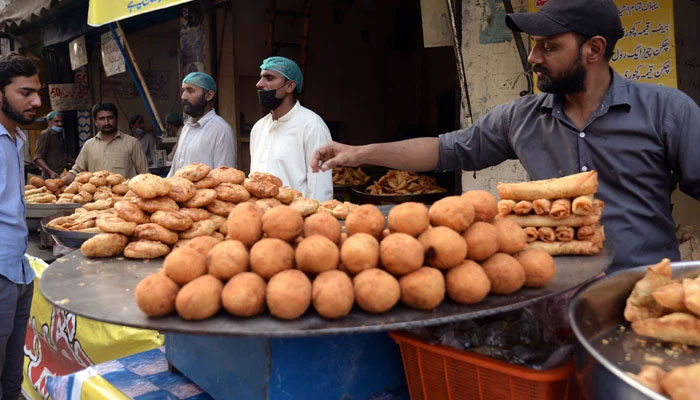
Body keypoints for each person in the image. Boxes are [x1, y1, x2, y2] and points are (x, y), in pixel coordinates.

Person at [312, 0, 700, 271]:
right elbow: (445, 150)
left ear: (594, 49)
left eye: (549, 47)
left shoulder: (667, 111)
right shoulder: (522, 117)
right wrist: (360, 153)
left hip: (639, 288)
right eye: (534, 46)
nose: (533, 58)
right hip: (554, 291)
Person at [0, 53, 41, 400]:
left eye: (37, 92)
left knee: (12, 375)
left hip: (20, 270)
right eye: (25, 92)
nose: (37, 101)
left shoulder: (17, 139)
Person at [250, 56, 332, 201]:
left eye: (269, 78)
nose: (259, 84)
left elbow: (320, 187)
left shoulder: (312, 126)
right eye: (261, 78)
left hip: (295, 219)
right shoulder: (259, 128)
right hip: (262, 217)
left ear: (290, 86)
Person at [167, 72, 236, 177]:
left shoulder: (221, 130)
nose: (184, 96)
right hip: (182, 191)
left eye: (190, 90)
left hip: (204, 193)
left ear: (209, 95)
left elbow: (224, 177)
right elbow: (175, 171)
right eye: (183, 91)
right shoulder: (187, 127)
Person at [63, 103, 148, 183]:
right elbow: (76, 172)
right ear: (95, 122)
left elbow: (145, 175)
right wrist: (60, 183)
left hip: (126, 197)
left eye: (110, 118)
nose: (106, 122)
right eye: (102, 119)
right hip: (98, 197)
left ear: (116, 119)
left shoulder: (132, 143)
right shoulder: (89, 145)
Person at [33, 110, 71, 179]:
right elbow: (37, 158)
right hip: (50, 177)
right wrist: (50, 172)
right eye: (56, 121)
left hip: (61, 175)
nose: (60, 124)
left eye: (61, 121)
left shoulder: (59, 135)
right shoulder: (45, 134)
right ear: (49, 122)